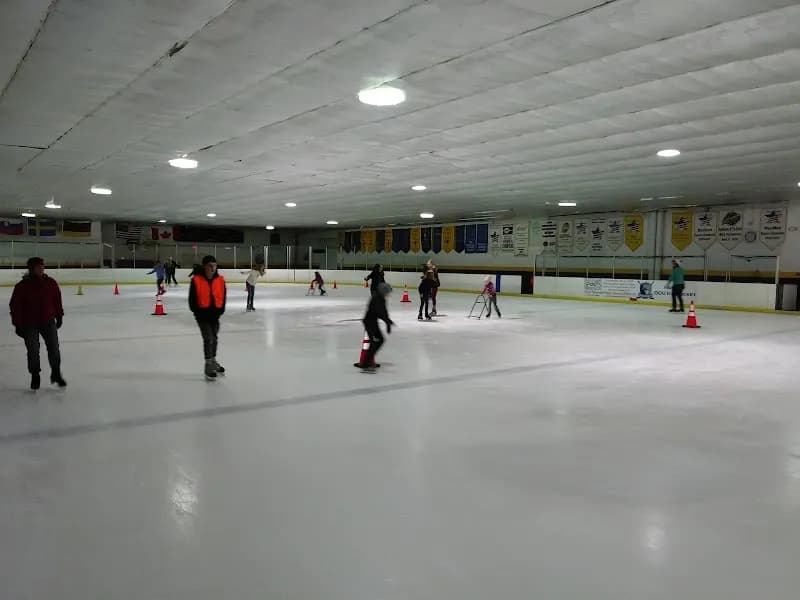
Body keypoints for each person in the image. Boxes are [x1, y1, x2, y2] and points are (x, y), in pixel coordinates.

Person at [9, 257, 67, 390]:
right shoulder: (22, 286)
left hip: (48, 321)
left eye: (42, 266)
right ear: (31, 269)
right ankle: (35, 374)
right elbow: (15, 306)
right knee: (33, 351)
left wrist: (59, 316)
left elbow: (57, 300)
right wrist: (17, 324)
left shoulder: (50, 283)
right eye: (38, 267)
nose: (41, 269)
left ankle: (56, 373)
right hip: (29, 324)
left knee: (54, 349)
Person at [189, 255, 227, 380]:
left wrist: (220, 311)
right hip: (202, 317)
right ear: (204, 266)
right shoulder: (196, 280)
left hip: (215, 316)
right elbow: (192, 301)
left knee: (214, 338)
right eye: (210, 266)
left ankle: (213, 361)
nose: (212, 268)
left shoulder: (220, 280)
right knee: (208, 338)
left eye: (214, 265)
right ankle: (208, 364)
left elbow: (223, 296)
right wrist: (198, 313)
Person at [357, 282, 394, 372]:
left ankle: (368, 360)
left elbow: (383, 312)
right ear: (383, 291)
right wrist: (387, 322)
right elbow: (379, 311)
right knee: (374, 342)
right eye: (387, 292)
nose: (388, 294)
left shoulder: (381, 298)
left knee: (380, 340)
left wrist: (388, 322)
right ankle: (366, 363)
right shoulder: (376, 298)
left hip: (373, 322)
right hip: (369, 322)